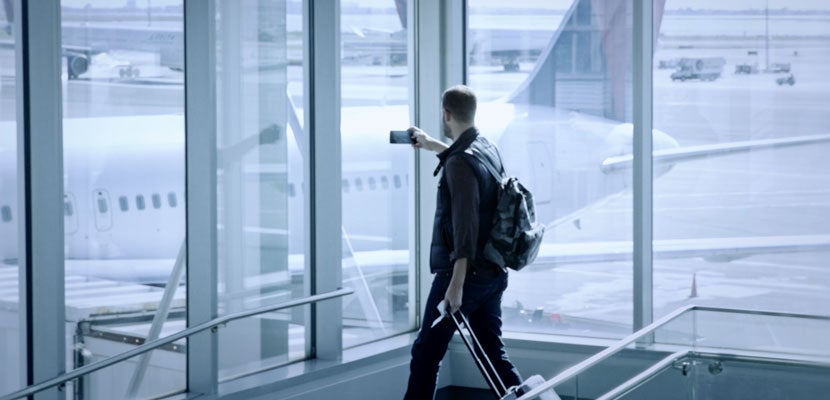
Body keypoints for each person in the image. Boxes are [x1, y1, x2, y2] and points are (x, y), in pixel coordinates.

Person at [403, 85, 523, 399]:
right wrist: (433, 145)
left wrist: (454, 284)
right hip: (492, 272)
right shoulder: (485, 146)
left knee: (426, 354)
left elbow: (465, 227)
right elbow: (466, 166)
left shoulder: (459, 163)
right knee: (493, 357)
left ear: (446, 114)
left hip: (463, 277)